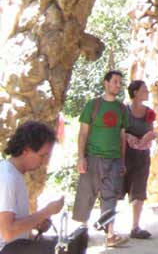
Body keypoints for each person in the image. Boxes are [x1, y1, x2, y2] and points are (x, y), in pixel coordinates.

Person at [73, 70, 129, 248]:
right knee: (86, 193)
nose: (118, 85)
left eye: (120, 82)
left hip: (114, 159)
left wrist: (122, 161)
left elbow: (122, 136)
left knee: (110, 196)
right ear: (106, 83)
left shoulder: (122, 108)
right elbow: (83, 133)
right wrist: (81, 157)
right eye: (115, 82)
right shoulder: (93, 105)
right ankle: (80, 233)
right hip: (93, 157)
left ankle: (110, 234)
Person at [0, 122, 64, 253]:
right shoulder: (7, 178)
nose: (45, 162)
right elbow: (7, 232)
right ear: (26, 150)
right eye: (42, 155)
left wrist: (36, 223)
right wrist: (46, 212)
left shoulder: (14, 174)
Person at [123, 80, 157, 239]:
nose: (147, 92)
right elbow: (117, 130)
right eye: (144, 90)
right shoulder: (124, 110)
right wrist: (127, 136)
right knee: (116, 190)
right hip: (124, 154)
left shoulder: (149, 112)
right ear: (135, 92)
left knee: (139, 190)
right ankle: (109, 227)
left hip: (142, 155)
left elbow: (153, 131)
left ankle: (135, 227)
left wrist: (149, 136)